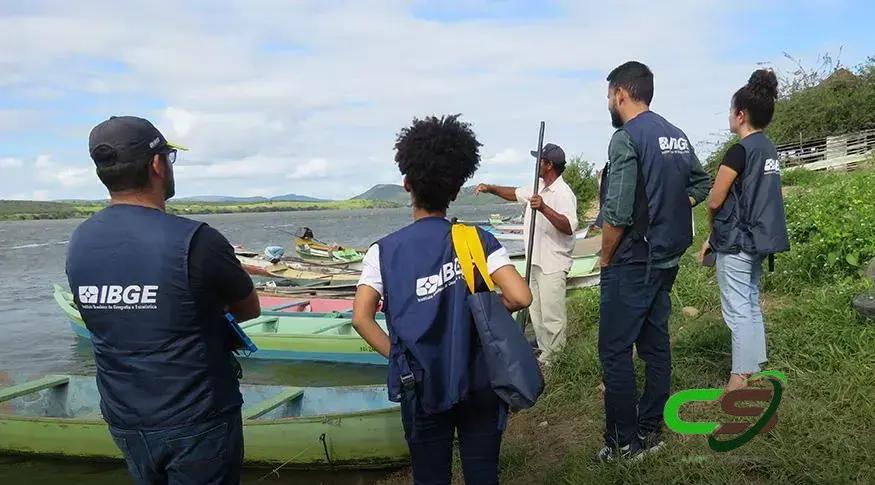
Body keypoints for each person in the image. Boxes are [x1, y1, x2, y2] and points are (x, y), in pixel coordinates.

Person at [66, 116, 260, 484]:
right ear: (157, 165)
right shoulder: (196, 239)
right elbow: (250, 309)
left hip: (124, 416)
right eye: (170, 158)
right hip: (196, 416)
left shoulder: (80, 240)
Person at [352, 114, 532, 485]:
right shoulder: (476, 240)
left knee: (430, 475)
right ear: (454, 191)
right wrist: (481, 310)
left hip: (420, 383)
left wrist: (399, 356)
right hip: (480, 379)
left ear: (407, 185)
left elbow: (361, 318)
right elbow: (520, 295)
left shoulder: (383, 252)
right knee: (483, 474)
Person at [597, 61, 711, 461]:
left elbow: (618, 212)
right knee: (655, 345)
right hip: (665, 258)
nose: (609, 102)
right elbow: (700, 182)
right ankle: (650, 430)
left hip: (631, 260)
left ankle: (622, 443)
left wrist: (605, 257)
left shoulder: (627, 137)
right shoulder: (675, 135)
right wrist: (676, 207)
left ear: (621, 94)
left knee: (614, 352)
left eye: (609, 95)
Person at [699, 70, 789, 393]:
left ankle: (739, 378)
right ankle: (754, 364)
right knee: (750, 302)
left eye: (730, 111)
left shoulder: (740, 151)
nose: (729, 116)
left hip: (736, 242)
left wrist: (712, 235)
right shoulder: (769, 149)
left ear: (740, 114)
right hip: (759, 240)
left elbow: (715, 199)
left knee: (737, 308)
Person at [474, 143, 578, 364]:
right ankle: (546, 355)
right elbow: (513, 193)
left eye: (539, 160)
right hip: (535, 261)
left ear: (549, 165)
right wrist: (490, 188)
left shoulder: (563, 193)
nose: (536, 164)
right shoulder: (537, 185)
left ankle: (557, 359)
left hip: (553, 262)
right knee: (537, 314)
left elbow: (569, 225)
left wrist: (543, 208)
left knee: (552, 316)